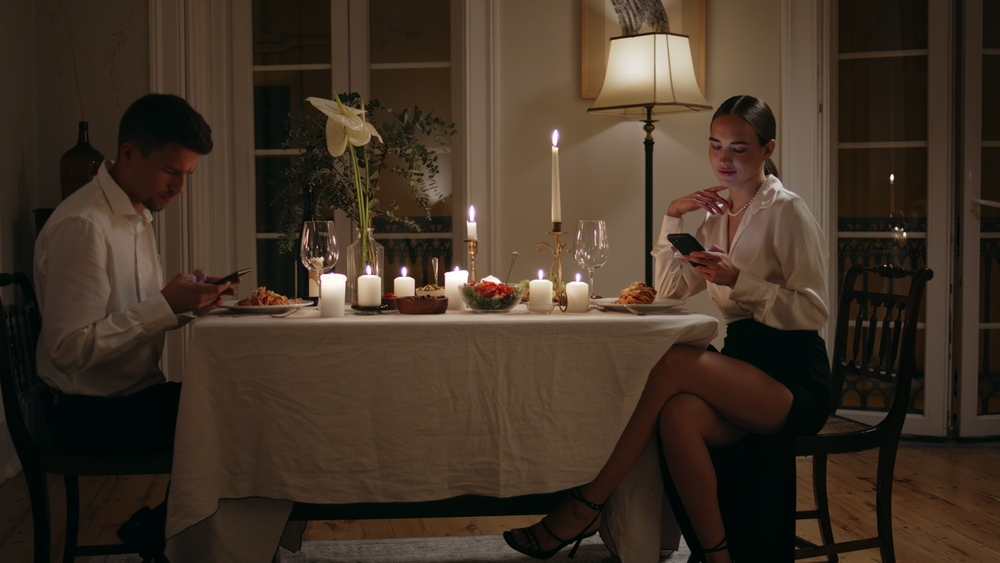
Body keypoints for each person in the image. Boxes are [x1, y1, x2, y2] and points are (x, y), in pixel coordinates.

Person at [504, 95, 830, 563]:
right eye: (716, 146)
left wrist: (740, 281)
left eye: (739, 148)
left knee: (673, 362)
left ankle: (587, 503)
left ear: (768, 149)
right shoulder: (716, 216)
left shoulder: (787, 211)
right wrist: (672, 217)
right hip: (743, 366)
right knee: (678, 414)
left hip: (792, 377)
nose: (724, 159)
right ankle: (717, 556)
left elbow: (815, 311)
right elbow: (670, 290)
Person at [34, 93, 234, 558]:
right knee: (237, 417)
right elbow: (68, 349)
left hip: (131, 398)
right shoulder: (84, 225)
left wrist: (186, 303)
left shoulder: (135, 215)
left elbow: (131, 313)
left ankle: (172, 533)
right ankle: (175, 536)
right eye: (170, 171)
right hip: (87, 414)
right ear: (128, 153)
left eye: (187, 175)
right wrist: (163, 305)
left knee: (241, 403)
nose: (179, 188)